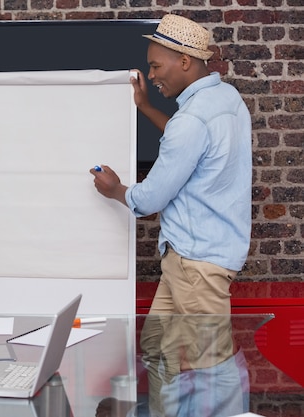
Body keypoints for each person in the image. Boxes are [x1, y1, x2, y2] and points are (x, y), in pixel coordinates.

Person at [89, 14, 251, 416]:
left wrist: (116, 191)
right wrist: (145, 107)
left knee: (208, 359)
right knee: (157, 346)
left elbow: (151, 198)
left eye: (156, 65)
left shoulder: (192, 120)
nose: (151, 74)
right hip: (193, 258)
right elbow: (189, 142)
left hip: (197, 264)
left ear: (184, 60)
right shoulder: (225, 100)